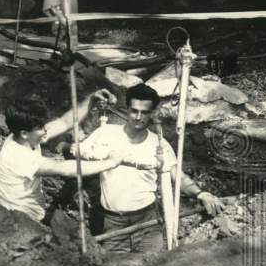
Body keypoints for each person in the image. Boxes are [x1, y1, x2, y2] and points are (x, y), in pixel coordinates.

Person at [73, 82, 223, 253]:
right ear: (127, 109)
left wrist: (200, 193)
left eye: (144, 112)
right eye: (134, 111)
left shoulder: (159, 144)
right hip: (113, 223)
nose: (138, 117)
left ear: (152, 113)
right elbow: (79, 151)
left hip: (148, 222)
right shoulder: (105, 133)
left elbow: (177, 175)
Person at [0, 92, 122, 225]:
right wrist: (111, 162)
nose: (45, 130)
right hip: (21, 220)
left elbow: (64, 122)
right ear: (24, 133)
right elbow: (66, 168)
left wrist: (91, 99)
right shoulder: (19, 157)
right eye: (41, 128)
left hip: (21, 212)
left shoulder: (21, 136)